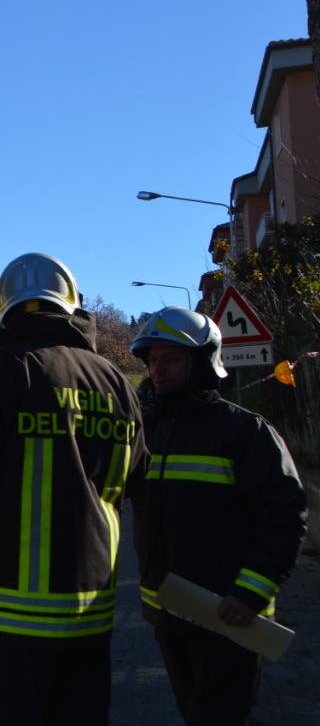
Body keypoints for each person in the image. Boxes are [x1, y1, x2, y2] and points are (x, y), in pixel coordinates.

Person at [0, 252, 145, 726]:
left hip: (3, 612)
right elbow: (134, 475)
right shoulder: (115, 383)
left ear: (4, 308)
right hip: (91, 605)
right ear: (71, 304)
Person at [129, 307, 307, 726]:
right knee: (193, 711)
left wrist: (249, 595)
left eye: (171, 358)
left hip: (229, 616)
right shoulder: (146, 431)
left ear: (204, 361)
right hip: (170, 612)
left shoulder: (246, 431)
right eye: (153, 360)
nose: (158, 370)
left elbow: (284, 517)